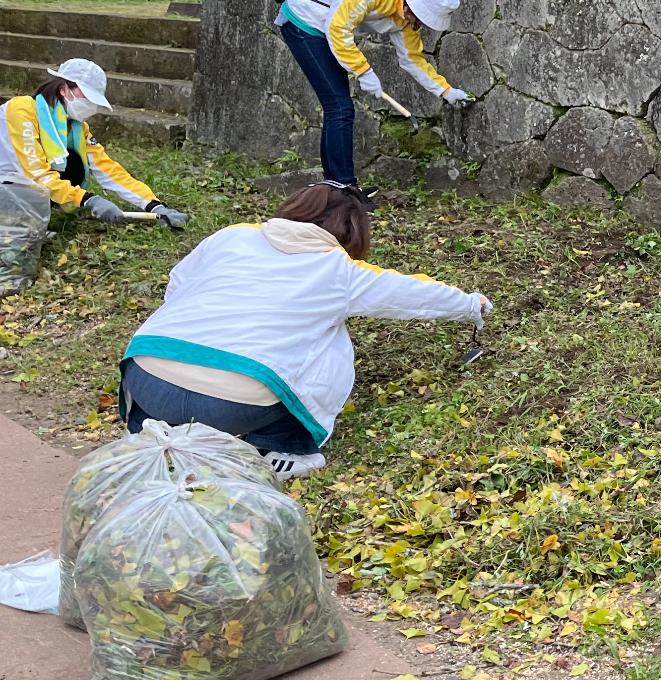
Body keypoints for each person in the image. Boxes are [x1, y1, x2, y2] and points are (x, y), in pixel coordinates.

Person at [119, 182, 488, 479]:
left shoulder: (231, 236)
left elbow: (178, 285)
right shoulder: (340, 271)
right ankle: (283, 447)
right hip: (234, 403)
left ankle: (146, 434)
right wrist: (473, 304)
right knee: (332, 337)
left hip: (147, 379)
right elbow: (413, 294)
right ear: (353, 231)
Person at [272, 0, 469, 194]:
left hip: (326, 30)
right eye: (421, 18)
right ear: (412, 3)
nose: (419, 24)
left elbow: (412, 59)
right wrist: (363, 71)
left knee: (338, 107)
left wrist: (446, 91)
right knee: (340, 107)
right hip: (303, 21)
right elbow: (337, 28)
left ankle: (335, 186)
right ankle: (343, 187)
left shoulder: (406, 18)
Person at [1, 59, 187, 229]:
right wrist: (86, 199)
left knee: (74, 163)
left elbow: (107, 168)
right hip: (8, 186)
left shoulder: (77, 127)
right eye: (86, 97)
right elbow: (35, 173)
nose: (90, 104)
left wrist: (153, 205)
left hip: (19, 191)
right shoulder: (21, 110)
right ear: (64, 88)